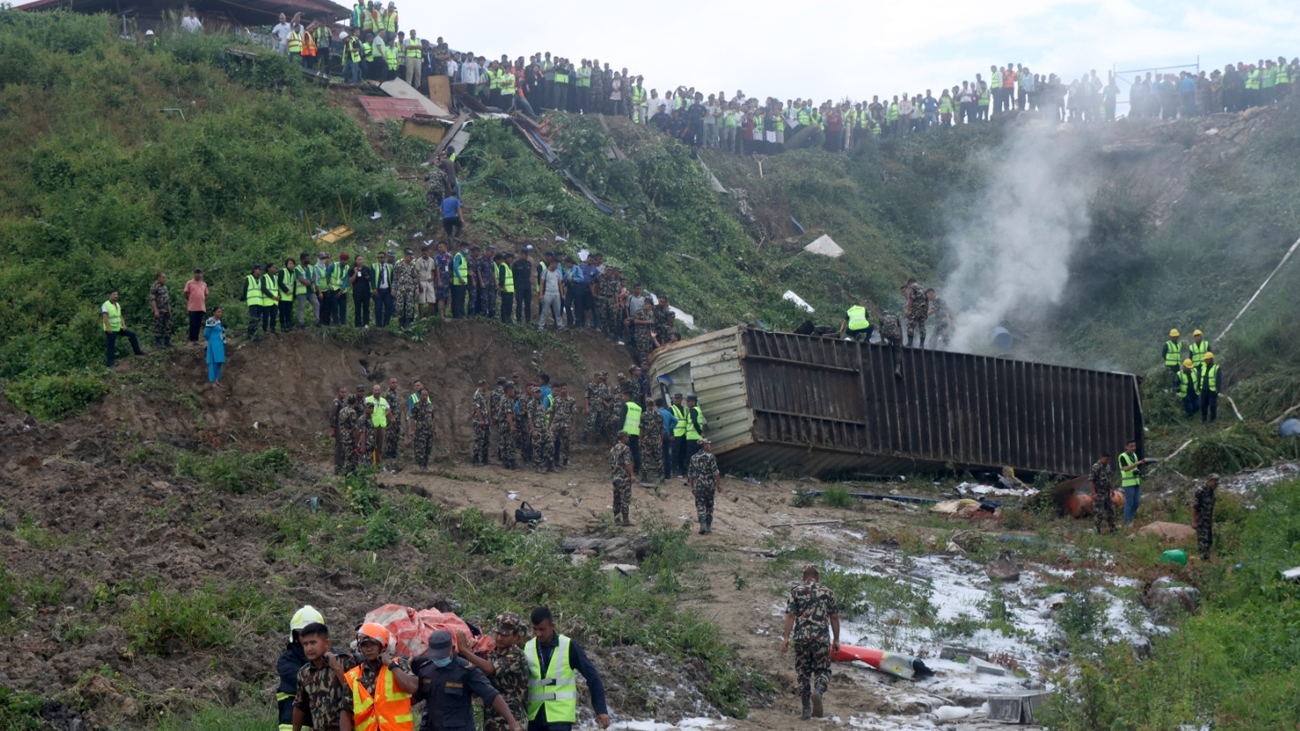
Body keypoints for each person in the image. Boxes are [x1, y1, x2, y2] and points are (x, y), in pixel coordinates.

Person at [411, 630, 522, 731]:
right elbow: (417, 696)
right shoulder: (426, 669)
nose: (438, 659)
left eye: (441, 655)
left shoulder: (466, 670)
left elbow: (492, 695)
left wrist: (513, 723)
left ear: (452, 649)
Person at [523, 607, 611, 731]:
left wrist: (601, 710)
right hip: (535, 716)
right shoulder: (527, 647)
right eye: (534, 629)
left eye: (542, 629)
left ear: (552, 625)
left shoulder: (569, 646)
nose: (538, 634)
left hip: (560, 717)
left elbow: (592, 676)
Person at [780, 565, 840, 720]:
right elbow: (834, 617)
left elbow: (791, 615)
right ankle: (818, 691)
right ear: (817, 577)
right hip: (821, 639)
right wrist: (836, 639)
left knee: (803, 672)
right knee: (823, 670)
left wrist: (786, 638)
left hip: (801, 638)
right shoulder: (827, 592)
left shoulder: (796, 591)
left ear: (803, 577)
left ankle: (806, 708)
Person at [454, 613, 528, 731]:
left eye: (504, 635)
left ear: (515, 637)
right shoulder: (490, 652)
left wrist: (465, 651)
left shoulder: (516, 655)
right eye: (497, 633)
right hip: (490, 720)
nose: (499, 638)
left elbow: (490, 669)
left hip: (513, 722)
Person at [342, 623, 417, 731]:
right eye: (364, 645)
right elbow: (346, 712)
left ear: (383, 646)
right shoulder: (352, 676)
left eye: (373, 644)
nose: (368, 649)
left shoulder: (398, 664)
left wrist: (391, 665)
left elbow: (412, 687)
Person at [292, 622, 355, 731]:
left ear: (326, 643)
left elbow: (355, 693)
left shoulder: (345, 662)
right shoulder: (304, 673)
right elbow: (299, 706)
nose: (309, 648)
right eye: (305, 644)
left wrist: (336, 668)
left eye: (313, 643)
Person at [278, 606, 324, 731]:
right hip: (291, 725)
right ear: (296, 635)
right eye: (303, 634)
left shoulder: (332, 659)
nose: (307, 639)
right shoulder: (287, 660)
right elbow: (301, 681)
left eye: (312, 635)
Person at [102, 288, 145, 367]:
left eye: (117, 295)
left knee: (132, 335)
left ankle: (137, 351)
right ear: (110, 295)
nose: (116, 296)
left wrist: (124, 325)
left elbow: (120, 315)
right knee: (111, 345)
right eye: (114, 295)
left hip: (118, 327)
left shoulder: (117, 304)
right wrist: (108, 328)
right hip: (111, 329)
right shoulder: (106, 305)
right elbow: (105, 317)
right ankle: (110, 363)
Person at [688, 438, 721, 534]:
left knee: (700, 505)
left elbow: (690, 474)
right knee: (709, 505)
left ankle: (702, 524)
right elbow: (715, 472)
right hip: (709, 485)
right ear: (704, 446)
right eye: (708, 445)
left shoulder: (693, 458)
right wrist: (719, 484)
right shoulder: (710, 457)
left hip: (698, 485)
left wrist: (692, 486)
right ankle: (708, 525)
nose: (709, 446)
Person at [1117, 439, 1147, 526]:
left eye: (1134, 446)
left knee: (1137, 503)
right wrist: (1137, 463)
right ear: (1126, 447)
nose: (1133, 448)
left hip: (1136, 482)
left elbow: (1134, 468)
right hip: (1128, 483)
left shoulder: (1134, 455)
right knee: (1129, 503)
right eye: (1131, 446)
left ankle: (1130, 518)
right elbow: (1125, 468)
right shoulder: (1122, 456)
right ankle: (1127, 522)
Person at [610, 431, 634, 525]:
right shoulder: (625, 448)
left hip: (615, 476)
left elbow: (611, 462)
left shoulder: (613, 448)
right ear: (623, 437)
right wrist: (632, 474)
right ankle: (625, 520)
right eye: (627, 437)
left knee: (616, 498)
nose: (628, 438)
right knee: (625, 498)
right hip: (624, 477)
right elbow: (627, 463)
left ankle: (616, 519)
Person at [1089, 452, 1116, 535]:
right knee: (1099, 512)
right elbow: (1091, 480)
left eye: (1109, 459)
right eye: (1106, 459)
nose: (1107, 461)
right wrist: (1094, 493)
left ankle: (1113, 528)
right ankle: (1097, 529)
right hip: (1099, 493)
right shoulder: (1096, 467)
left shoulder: (1107, 467)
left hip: (1107, 493)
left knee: (1110, 511)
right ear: (1101, 458)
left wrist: (1112, 489)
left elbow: (1109, 478)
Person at [1191, 474, 1217, 561]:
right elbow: (1194, 507)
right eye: (1215, 483)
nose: (1216, 485)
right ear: (1210, 481)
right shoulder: (1200, 492)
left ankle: (1207, 558)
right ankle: (1203, 559)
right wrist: (1194, 522)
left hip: (1208, 521)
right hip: (1201, 521)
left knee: (1209, 541)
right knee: (1203, 541)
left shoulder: (1212, 493)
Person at [638, 396, 663, 483]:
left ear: (646, 405)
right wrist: (661, 440)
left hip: (646, 439)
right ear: (653, 404)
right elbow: (661, 429)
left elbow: (641, 429)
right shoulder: (659, 414)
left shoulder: (644, 415)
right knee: (658, 458)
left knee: (645, 458)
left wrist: (640, 440)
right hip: (656, 439)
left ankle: (644, 477)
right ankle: (661, 476)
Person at [551, 383, 575, 468]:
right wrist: (550, 425)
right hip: (556, 424)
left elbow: (574, 413)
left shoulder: (571, 400)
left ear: (567, 389)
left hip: (566, 425)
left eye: (564, 389)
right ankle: (553, 461)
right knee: (552, 443)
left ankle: (565, 461)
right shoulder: (555, 400)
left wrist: (573, 425)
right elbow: (552, 412)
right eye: (561, 389)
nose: (562, 390)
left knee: (566, 444)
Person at [536, 258, 565, 332]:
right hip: (548, 293)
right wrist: (541, 294)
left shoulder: (558, 272)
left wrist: (562, 294)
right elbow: (542, 283)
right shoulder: (545, 272)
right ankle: (541, 326)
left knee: (558, 311)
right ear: (552, 263)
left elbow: (560, 284)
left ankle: (559, 325)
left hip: (556, 293)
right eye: (556, 264)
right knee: (544, 311)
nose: (556, 266)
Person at [181, 269, 209, 344]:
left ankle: (196, 339)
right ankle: (191, 340)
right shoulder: (190, 283)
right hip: (192, 306)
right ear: (194, 274)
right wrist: (191, 299)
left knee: (198, 323)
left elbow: (205, 294)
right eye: (196, 273)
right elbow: (186, 293)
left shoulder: (204, 284)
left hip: (201, 307)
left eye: (199, 273)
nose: (198, 275)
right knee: (192, 323)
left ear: (201, 274)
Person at [203, 308, 226, 389]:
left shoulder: (219, 322)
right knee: (212, 363)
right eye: (218, 312)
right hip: (213, 343)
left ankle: (217, 380)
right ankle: (212, 382)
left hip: (219, 343)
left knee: (219, 362)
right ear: (214, 312)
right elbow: (206, 333)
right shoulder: (210, 321)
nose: (220, 313)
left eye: (220, 312)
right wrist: (211, 340)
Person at [902, 278, 928, 347]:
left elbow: (911, 299)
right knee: (922, 327)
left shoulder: (912, 287)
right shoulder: (923, 288)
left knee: (910, 325)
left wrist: (908, 311)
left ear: (909, 283)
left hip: (916, 309)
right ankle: (921, 344)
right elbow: (927, 300)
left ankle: (910, 343)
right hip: (923, 310)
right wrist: (926, 312)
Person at [350, 254, 374, 328]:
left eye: (361, 259)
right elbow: (351, 281)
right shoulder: (352, 269)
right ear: (355, 261)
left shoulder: (366, 269)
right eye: (358, 260)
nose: (360, 261)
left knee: (366, 307)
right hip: (357, 291)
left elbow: (371, 279)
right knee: (357, 307)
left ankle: (366, 323)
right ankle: (358, 324)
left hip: (366, 291)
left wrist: (367, 277)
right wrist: (355, 273)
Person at [330, 386, 348, 475]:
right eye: (342, 392)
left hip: (343, 428)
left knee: (343, 448)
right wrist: (333, 429)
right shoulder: (336, 403)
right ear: (338, 392)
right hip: (338, 428)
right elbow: (333, 416)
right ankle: (337, 469)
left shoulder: (343, 402)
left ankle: (341, 466)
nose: (343, 394)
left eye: (345, 392)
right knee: (339, 448)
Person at [472, 379, 491, 466]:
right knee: (479, 439)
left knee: (486, 439)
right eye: (486, 386)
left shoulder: (482, 395)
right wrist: (480, 420)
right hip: (479, 421)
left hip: (485, 420)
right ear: (483, 385)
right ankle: (475, 458)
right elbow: (477, 408)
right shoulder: (477, 395)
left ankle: (485, 458)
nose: (487, 388)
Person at [1198, 352, 1221, 423]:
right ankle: (1204, 418)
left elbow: (1218, 379)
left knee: (1212, 405)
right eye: (1205, 359)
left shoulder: (1216, 368)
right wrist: (1199, 387)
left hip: (1212, 390)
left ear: (1211, 360)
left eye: (1207, 359)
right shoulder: (1203, 368)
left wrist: (1218, 388)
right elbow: (1200, 378)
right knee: (1203, 405)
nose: (1206, 361)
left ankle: (1213, 419)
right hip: (1204, 390)